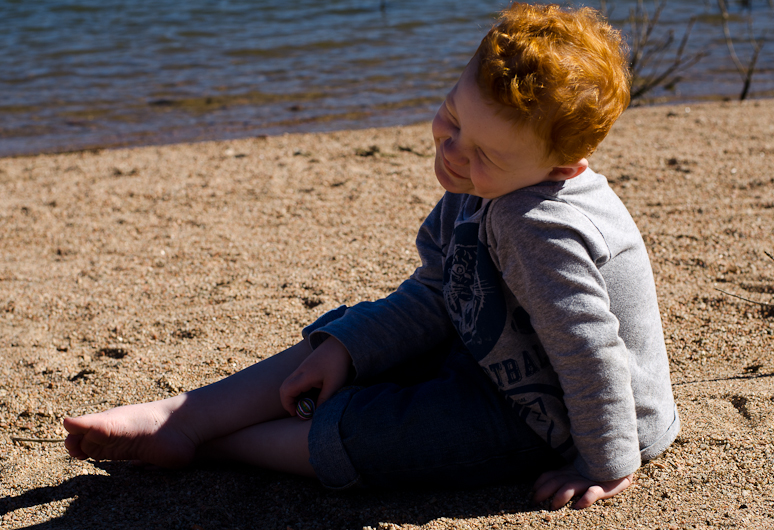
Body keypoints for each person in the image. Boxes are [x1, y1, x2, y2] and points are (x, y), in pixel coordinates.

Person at [63, 2, 679, 510]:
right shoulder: (482, 189)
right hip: (501, 353)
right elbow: (437, 294)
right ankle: (186, 415)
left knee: (392, 432)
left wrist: (604, 461)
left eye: (486, 153)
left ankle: (217, 445)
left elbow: (586, 349)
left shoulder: (540, 227)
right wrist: (348, 350)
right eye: (453, 117)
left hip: (562, 416)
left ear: (563, 166)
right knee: (345, 338)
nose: (455, 153)